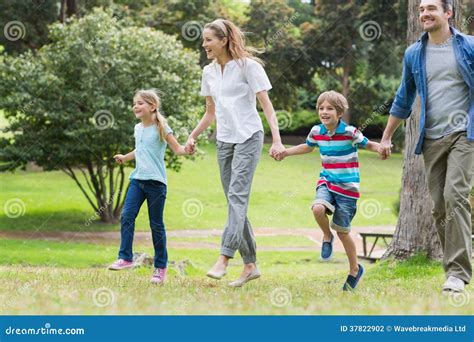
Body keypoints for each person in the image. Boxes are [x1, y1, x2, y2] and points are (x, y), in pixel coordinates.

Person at [379, 0, 473, 293]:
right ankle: (454, 267)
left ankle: (457, 273)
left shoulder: (469, 46)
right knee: (440, 208)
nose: (424, 13)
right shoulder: (414, 53)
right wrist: (385, 137)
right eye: (420, 9)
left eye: (431, 7)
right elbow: (403, 98)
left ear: (448, 13)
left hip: (465, 133)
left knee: (455, 195)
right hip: (431, 138)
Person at [185, 18, 285, 287]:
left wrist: (276, 140)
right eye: (204, 39)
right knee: (234, 202)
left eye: (208, 39)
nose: (204, 44)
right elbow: (210, 113)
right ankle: (250, 264)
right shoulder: (208, 72)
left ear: (224, 40)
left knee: (237, 197)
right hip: (224, 140)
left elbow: (267, 107)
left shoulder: (248, 67)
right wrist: (193, 136)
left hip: (249, 136)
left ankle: (224, 258)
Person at [274, 91, 381, 291]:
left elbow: (370, 145)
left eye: (330, 108)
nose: (324, 112)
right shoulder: (316, 131)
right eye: (321, 108)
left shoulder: (350, 132)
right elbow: (308, 147)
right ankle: (326, 236)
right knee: (317, 208)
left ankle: (354, 270)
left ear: (339, 112)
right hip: (327, 181)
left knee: (343, 231)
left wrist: (382, 148)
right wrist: (285, 152)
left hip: (348, 190)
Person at [108, 89, 189, 285]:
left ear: (152, 107)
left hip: (156, 183)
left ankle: (161, 268)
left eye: (140, 103)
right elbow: (140, 149)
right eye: (135, 103)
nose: (136, 106)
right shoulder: (138, 129)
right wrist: (126, 157)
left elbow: (178, 149)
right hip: (137, 180)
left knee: (156, 225)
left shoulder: (162, 127)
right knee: (127, 215)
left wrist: (188, 149)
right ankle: (125, 257)